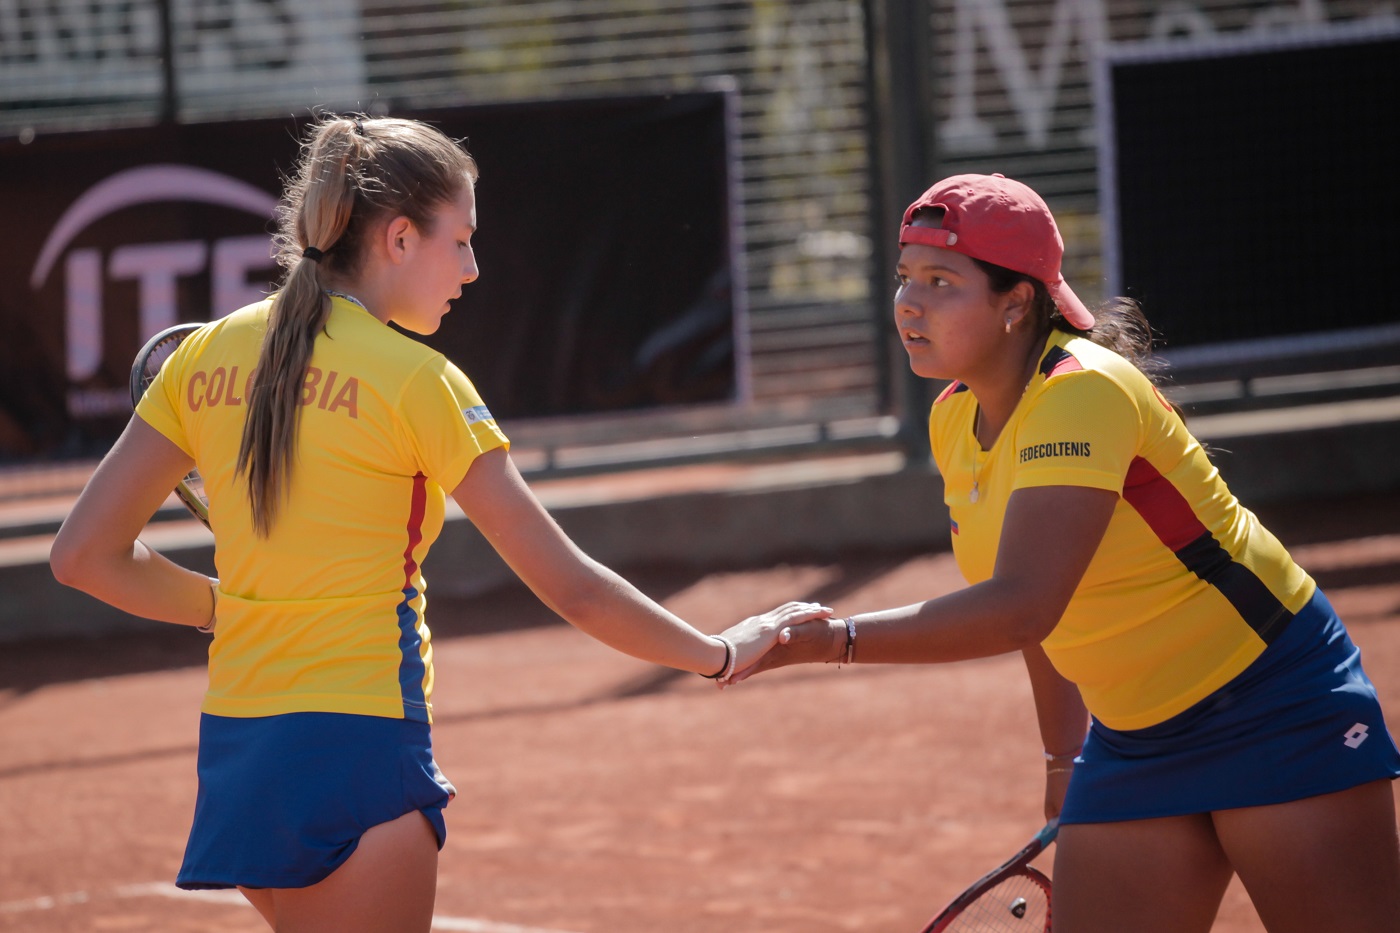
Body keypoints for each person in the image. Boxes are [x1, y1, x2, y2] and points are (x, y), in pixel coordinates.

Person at [48, 114, 828, 933]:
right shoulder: (421, 381)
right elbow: (572, 587)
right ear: (397, 238)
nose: (472, 267)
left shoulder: (203, 356)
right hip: (359, 751)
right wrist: (720, 653)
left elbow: (83, 556)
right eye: (459, 241)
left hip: (242, 756)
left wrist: (224, 606)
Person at [733, 173, 1400, 932]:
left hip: (1276, 702)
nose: (910, 304)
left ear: (1016, 303)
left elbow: (1022, 606)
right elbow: (1051, 615)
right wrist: (1063, 756)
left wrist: (840, 641)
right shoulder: (954, 419)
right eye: (905, 279)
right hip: (1134, 740)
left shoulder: (1083, 392)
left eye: (943, 282)